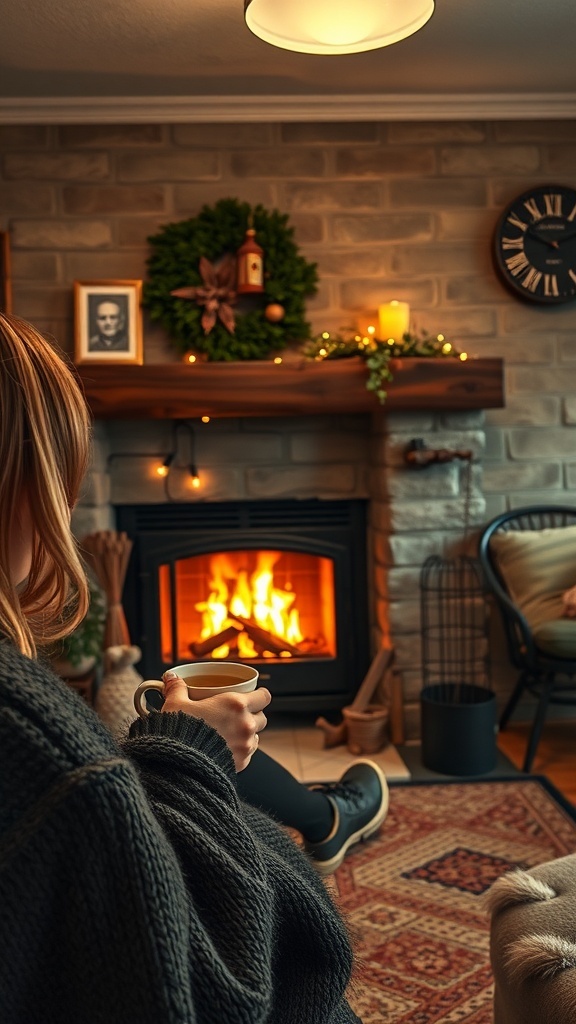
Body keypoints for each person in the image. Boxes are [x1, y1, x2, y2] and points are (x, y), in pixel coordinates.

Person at [0, 311, 388, 1024]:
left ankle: (326, 815)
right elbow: (212, 988)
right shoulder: (24, 723)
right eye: (61, 476)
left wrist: (175, 756)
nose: (68, 504)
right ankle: (325, 817)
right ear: (22, 485)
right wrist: (187, 755)